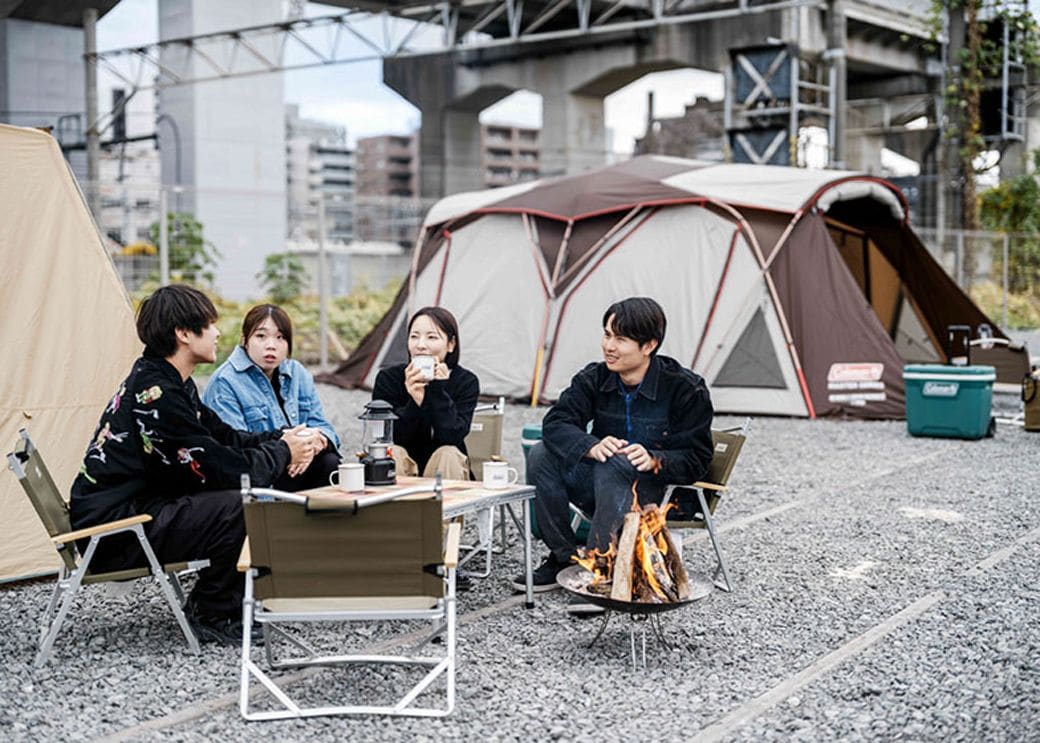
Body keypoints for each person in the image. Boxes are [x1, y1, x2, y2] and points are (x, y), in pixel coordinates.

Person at [70, 285, 316, 646]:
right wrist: (283, 452)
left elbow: (224, 439)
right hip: (115, 532)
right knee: (239, 503)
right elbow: (223, 471)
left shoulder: (169, 381)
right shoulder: (157, 396)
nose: (218, 333)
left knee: (243, 491)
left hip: (137, 509)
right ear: (184, 334)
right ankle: (213, 611)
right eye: (210, 324)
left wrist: (284, 438)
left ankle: (237, 595)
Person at [513, 297, 714, 604]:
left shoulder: (684, 388)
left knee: (617, 462)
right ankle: (565, 557)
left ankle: (602, 570)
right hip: (601, 489)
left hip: (655, 494)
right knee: (542, 453)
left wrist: (654, 459)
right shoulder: (595, 377)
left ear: (648, 345)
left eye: (620, 339)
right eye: (607, 335)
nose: (609, 346)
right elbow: (556, 422)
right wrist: (591, 446)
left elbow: (698, 459)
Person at [202, 304, 341, 491]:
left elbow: (323, 426)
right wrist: (289, 452)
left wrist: (315, 443)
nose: (271, 345)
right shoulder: (225, 381)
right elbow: (235, 449)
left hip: (297, 465)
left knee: (331, 462)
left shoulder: (297, 372)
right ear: (245, 340)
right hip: (261, 473)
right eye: (261, 336)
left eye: (280, 337)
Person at [371, 306, 479, 480]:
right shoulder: (389, 378)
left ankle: (444, 508)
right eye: (414, 337)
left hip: (448, 468)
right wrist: (414, 401)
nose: (421, 345)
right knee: (393, 453)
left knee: (448, 453)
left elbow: (452, 436)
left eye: (432, 337)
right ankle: (393, 507)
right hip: (403, 465)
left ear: (450, 344)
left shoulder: (465, 381)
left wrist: (437, 391)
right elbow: (391, 437)